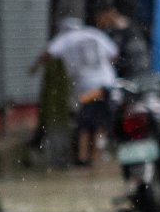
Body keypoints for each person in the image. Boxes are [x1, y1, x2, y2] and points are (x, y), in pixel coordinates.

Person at [31, 16, 118, 167]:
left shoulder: (65, 38)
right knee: (100, 123)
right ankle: (94, 156)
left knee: (85, 122)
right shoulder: (94, 33)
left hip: (85, 87)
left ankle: (83, 157)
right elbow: (114, 53)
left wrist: (35, 67)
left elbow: (48, 53)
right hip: (106, 83)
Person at [96, 7, 152, 80]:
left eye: (101, 18)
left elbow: (115, 55)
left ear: (109, 14)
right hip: (140, 68)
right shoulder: (131, 26)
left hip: (133, 70)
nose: (101, 22)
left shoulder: (120, 31)